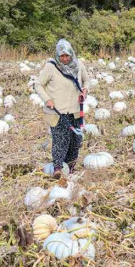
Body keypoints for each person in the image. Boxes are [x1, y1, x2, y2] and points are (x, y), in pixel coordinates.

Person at [34, 39, 89, 179]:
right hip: (57, 112)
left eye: (67, 56)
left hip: (75, 110)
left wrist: (85, 90)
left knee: (75, 140)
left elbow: (86, 80)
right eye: (61, 56)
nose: (64, 59)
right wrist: (47, 99)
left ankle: (70, 168)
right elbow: (38, 85)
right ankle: (58, 169)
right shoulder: (50, 67)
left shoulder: (78, 65)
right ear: (57, 56)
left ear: (71, 54)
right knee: (60, 140)